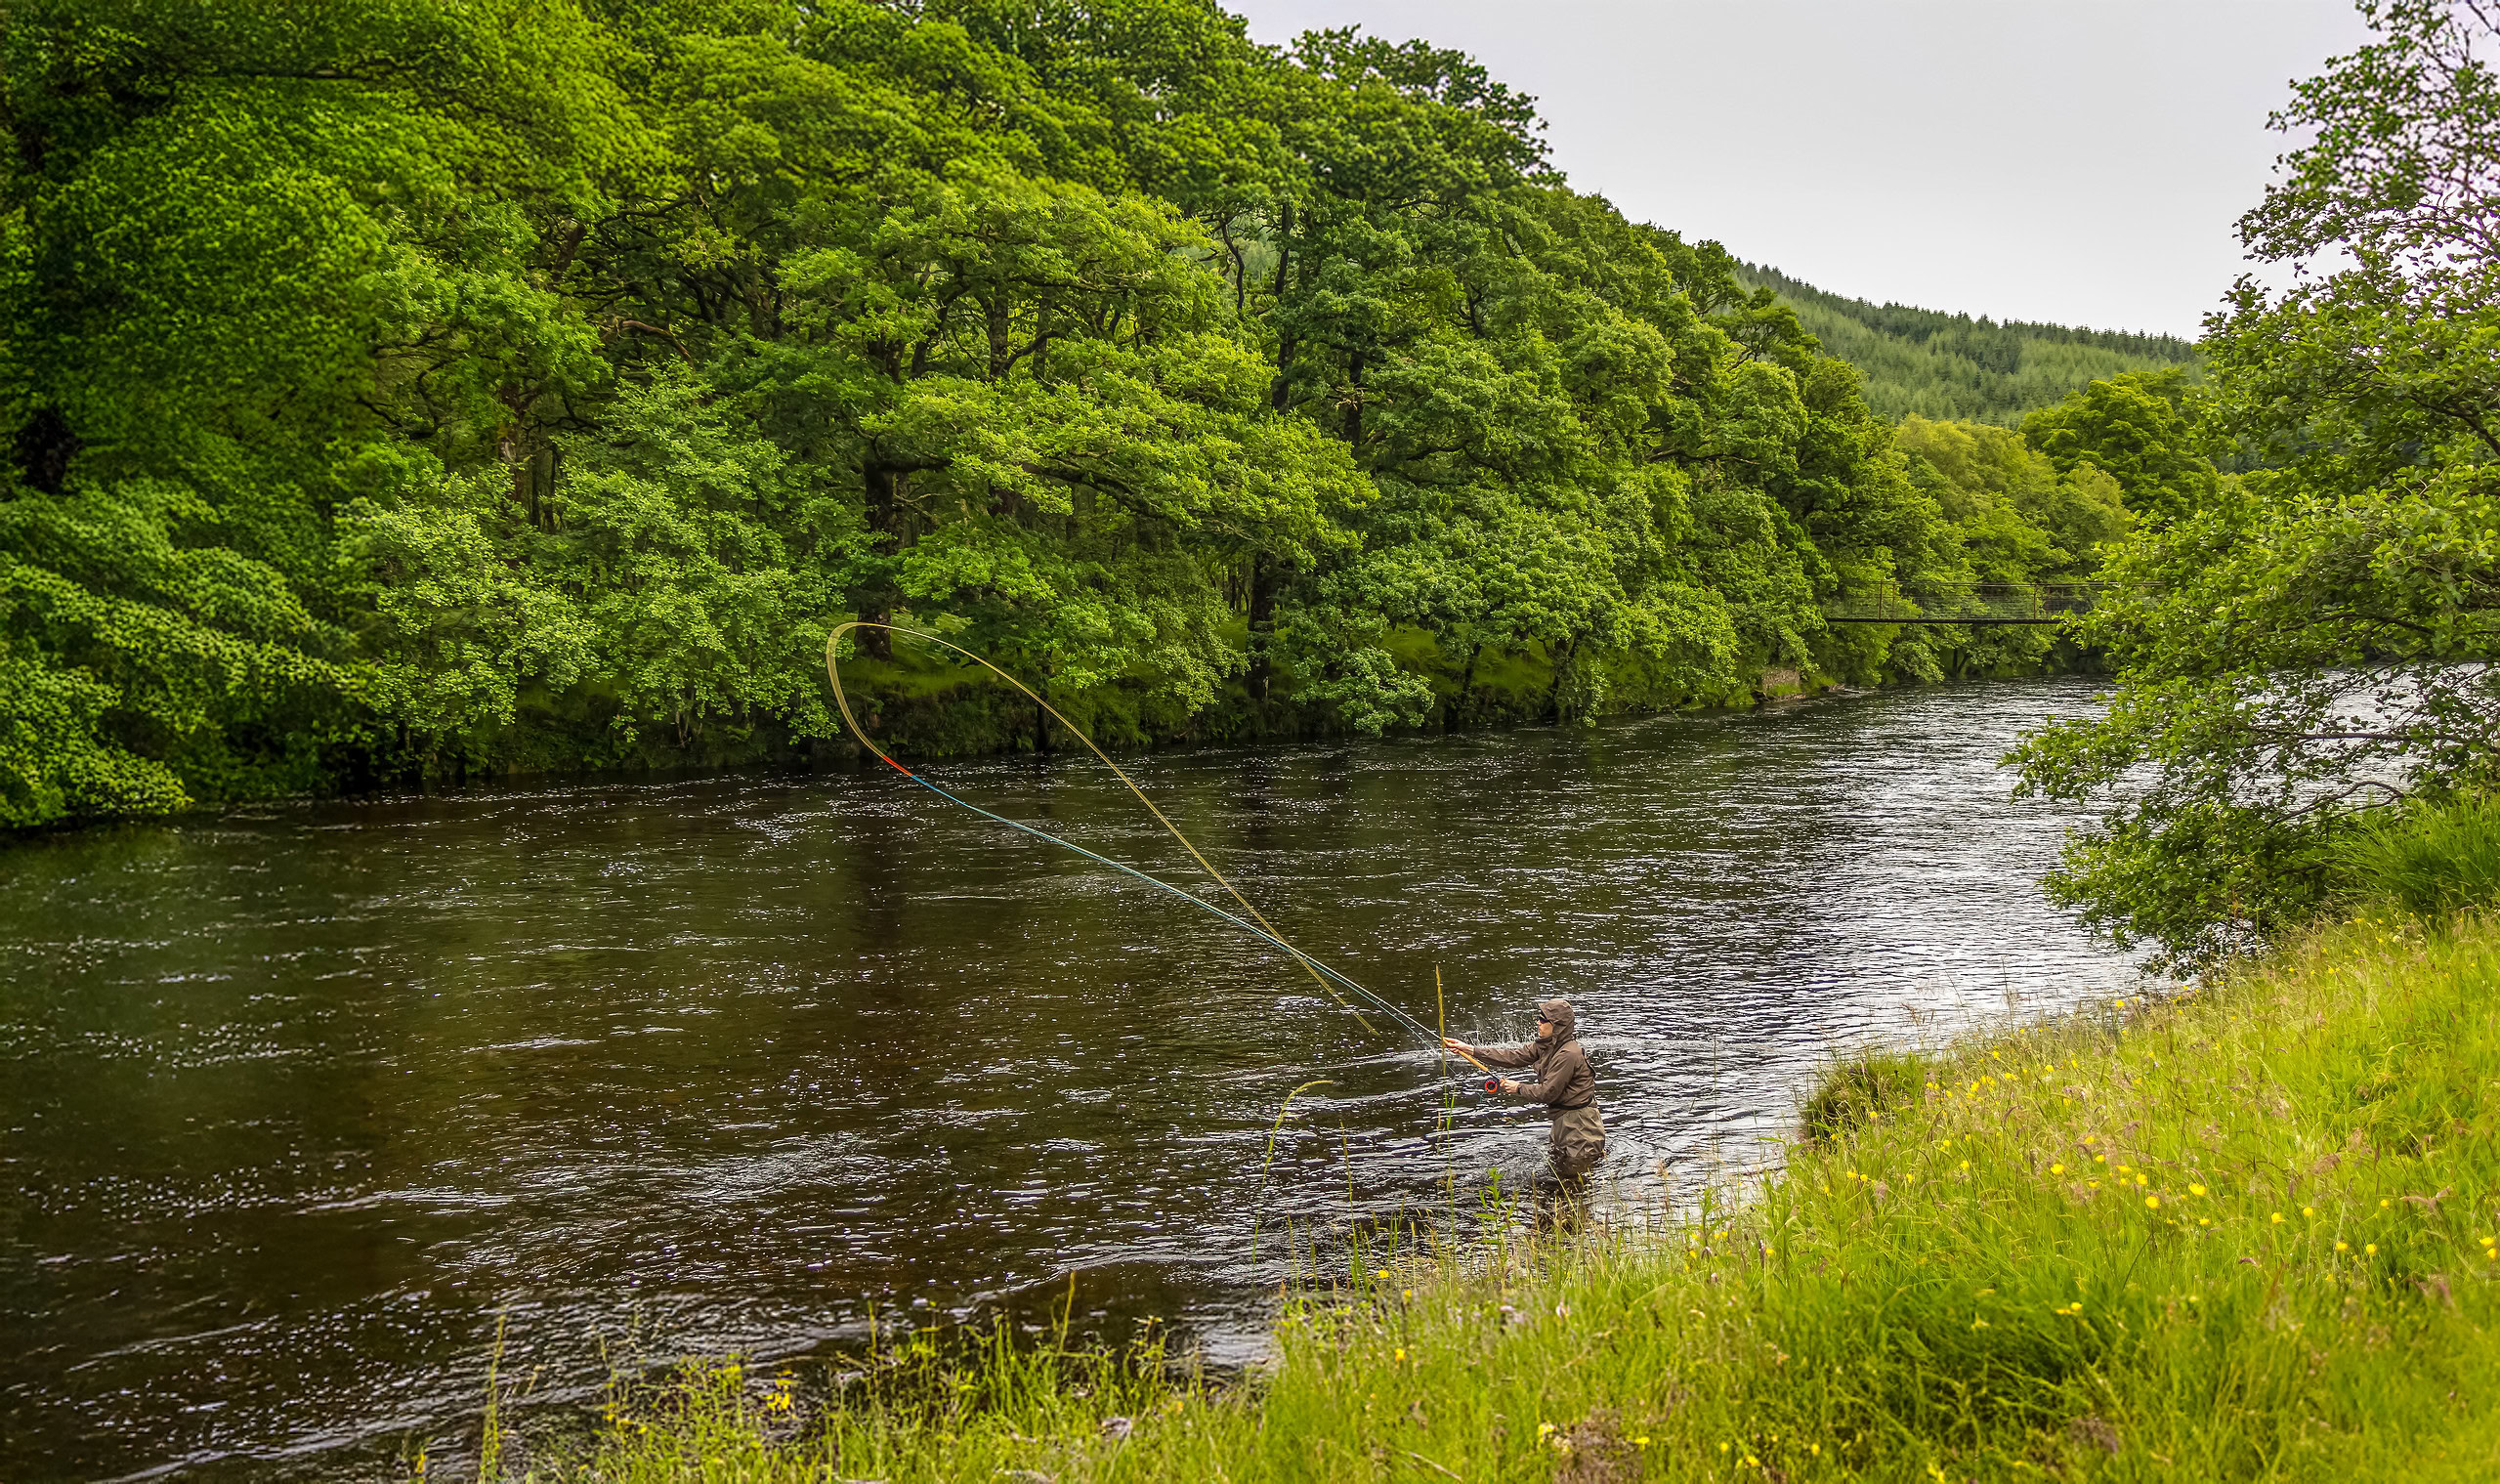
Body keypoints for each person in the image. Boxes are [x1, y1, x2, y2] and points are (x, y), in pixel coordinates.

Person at [1444, 996, 1605, 1224]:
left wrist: (1517, 1088)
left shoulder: (1568, 1054)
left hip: (1580, 1126)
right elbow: (1513, 1056)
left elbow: (1548, 1093)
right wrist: (1469, 1049)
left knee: (1573, 1181)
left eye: (1543, 1019)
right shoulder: (1547, 1046)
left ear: (1556, 1025)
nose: (1538, 1023)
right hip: (1564, 1122)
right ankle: (1555, 1226)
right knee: (1559, 1176)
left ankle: (1570, 1229)